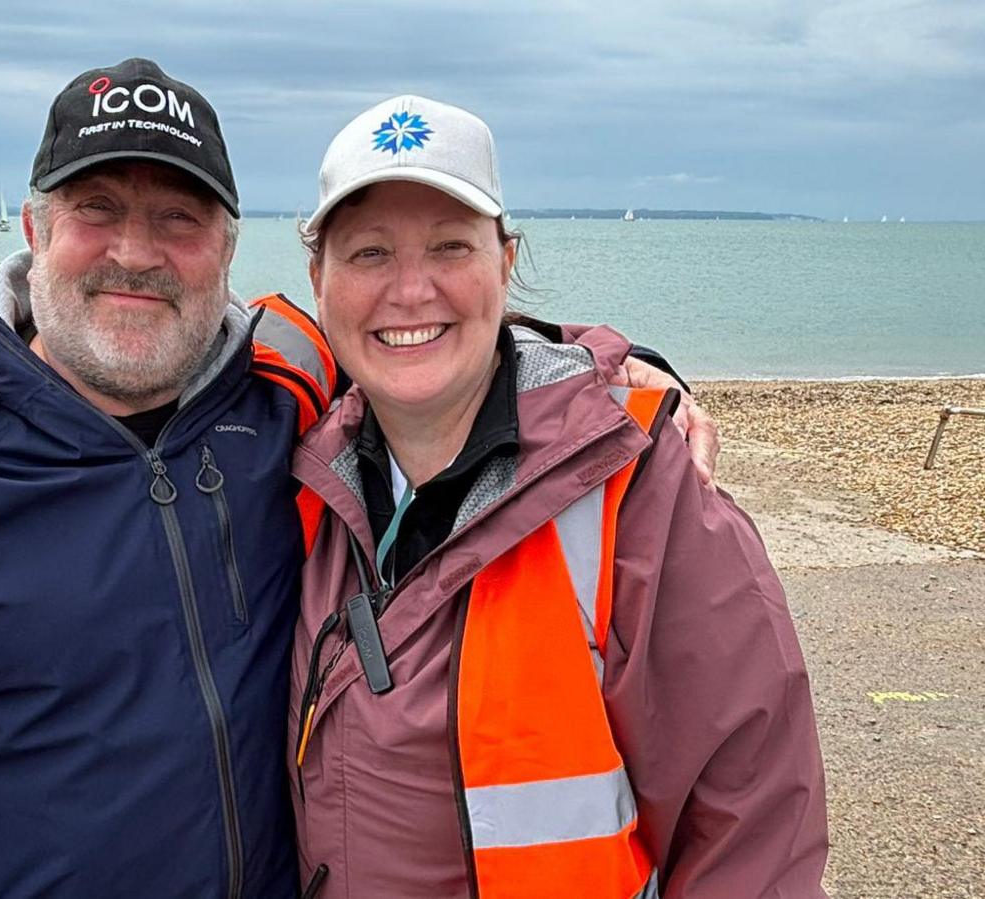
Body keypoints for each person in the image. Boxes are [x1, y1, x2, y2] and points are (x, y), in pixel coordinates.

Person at [0, 60, 714, 899]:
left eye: (177, 217)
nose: (135, 251)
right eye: (97, 210)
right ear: (34, 230)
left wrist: (602, 363)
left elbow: (419, 329)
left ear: (226, 248)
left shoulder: (287, 375)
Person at [286, 96, 827, 898]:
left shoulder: (636, 485)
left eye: (449, 246)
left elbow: (752, 819)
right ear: (318, 282)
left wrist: (607, 365)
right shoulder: (299, 460)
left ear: (504, 263)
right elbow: (167, 331)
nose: (410, 290)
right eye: (368, 254)